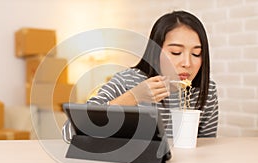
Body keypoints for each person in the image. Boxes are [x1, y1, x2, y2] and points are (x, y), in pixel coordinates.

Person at [62, 10, 218, 143]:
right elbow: (70, 132)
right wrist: (133, 97)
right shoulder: (128, 81)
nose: (187, 63)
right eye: (176, 52)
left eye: (197, 53)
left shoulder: (206, 90)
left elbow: (207, 143)